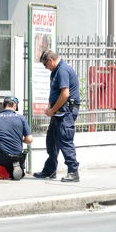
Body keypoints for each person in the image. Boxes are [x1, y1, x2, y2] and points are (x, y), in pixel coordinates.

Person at [33, 50, 80, 182]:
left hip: (66, 112)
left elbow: (65, 94)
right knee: (51, 140)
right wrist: (50, 107)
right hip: (59, 112)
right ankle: (50, 169)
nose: (45, 68)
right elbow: (55, 92)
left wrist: (53, 110)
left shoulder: (63, 70)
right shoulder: (55, 72)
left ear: (50, 60)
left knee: (65, 140)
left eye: (45, 65)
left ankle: (73, 171)